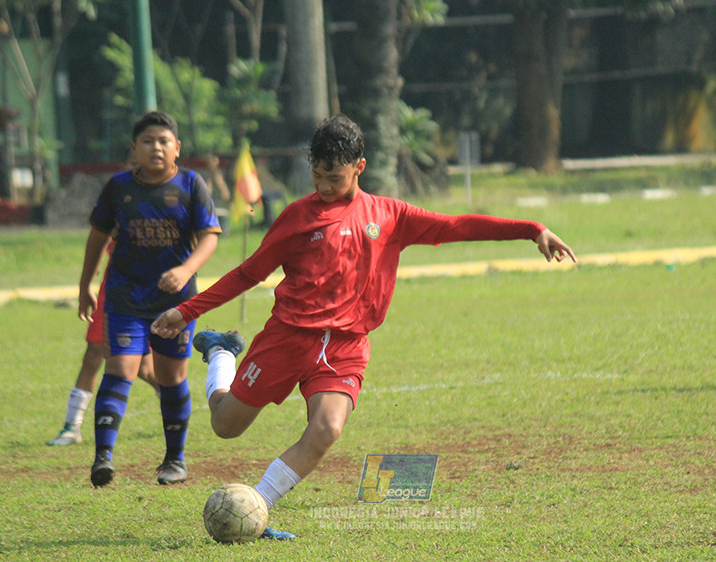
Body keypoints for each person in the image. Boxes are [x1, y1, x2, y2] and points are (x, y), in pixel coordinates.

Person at [152, 114, 576, 539]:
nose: (323, 186)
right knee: (226, 426)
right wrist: (186, 311)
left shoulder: (390, 215)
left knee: (327, 429)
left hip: (346, 346)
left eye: (334, 177)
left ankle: (257, 506)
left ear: (360, 167)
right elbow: (248, 273)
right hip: (287, 338)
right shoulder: (297, 217)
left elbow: (455, 226)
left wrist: (532, 230)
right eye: (317, 175)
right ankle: (221, 352)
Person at [79, 110, 222, 487]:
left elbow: (209, 235)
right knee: (120, 368)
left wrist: (186, 269)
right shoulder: (118, 187)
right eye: (147, 141)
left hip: (175, 302)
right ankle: (103, 457)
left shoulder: (191, 184)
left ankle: (175, 460)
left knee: (171, 375)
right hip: (125, 296)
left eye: (163, 141)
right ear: (134, 148)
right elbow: (97, 236)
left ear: (177, 148)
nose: (156, 148)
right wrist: (86, 284)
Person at [47, 240, 159, 446]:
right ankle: (72, 428)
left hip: (148, 289)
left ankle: (171, 400)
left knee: (144, 368)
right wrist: (87, 283)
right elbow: (100, 237)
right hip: (114, 289)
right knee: (93, 354)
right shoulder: (118, 217)